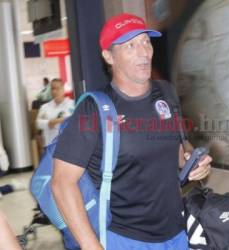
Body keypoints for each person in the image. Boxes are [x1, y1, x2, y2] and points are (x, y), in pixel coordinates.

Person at [51, 13, 212, 250]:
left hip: (177, 233)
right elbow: (62, 183)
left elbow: (179, 146)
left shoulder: (165, 92)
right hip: (125, 239)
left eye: (146, 41)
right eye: (130, 45)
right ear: (108, 56)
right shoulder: (94, 109)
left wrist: (192, 160)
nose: (144, 52)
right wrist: (90, 246)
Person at [36, 78, 74, 147]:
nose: (55, 91)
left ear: (63, 89)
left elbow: (72, 122)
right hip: (50, 146)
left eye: (57, 88)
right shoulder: (45, 107)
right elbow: (38, 124)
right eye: (52, 89)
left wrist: (50, 123)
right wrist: (56, 121)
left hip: (68, 146)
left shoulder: (72, 104)